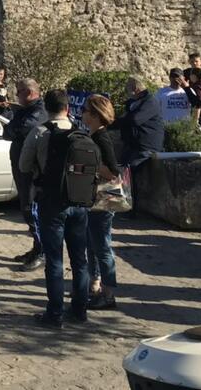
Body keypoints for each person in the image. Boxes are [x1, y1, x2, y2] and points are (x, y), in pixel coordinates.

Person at [20, 90, 96, 329]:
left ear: (47, 109)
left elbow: (24, 165)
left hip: (51, 202)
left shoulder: (40, 131)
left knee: (54, 260)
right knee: (79, 260)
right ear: (67, 108)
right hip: (79, 201)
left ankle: (55, 314)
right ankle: (80, 310)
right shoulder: (81, 133)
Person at [81, 95, 122, 311]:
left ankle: (108, 293)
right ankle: (94, 286)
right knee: (92, 245)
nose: (82, 113)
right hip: (93, 200)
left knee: (102, 247)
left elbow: (113, 171)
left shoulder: (101, 138)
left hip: (102, 201)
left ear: (95, 114)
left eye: (86, 110)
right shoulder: (94, 135)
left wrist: (89, 167)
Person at [6, 78, 48, 271]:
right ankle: (36, 247)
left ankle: (42, 251)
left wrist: (13, 129)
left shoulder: (39, 111)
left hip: (32, 171)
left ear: (30, 93)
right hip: (22, 169)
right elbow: (10, 129)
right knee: (26, 208)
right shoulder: (25, 110)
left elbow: (22, 128)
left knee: (32, 210)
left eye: (20, 91)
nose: (17, 95)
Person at [118, 76, 164, 170]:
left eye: (127, 87)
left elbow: (136, 119)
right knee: (123, 172)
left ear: (135, 88)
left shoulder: (150, 101)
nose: (125, 90)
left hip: (146, 148)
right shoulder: (133, 102)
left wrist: (121, 120)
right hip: (132, 147)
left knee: (133, 174)